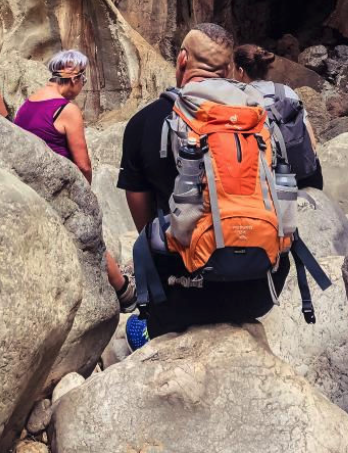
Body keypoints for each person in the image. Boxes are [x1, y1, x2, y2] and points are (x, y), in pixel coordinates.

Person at [117, 23, 290, 342]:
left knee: (133, 327)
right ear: (230, 69)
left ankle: (150, 330)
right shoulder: (260, 118)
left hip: (182, 295)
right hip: (259, 289)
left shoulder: (145, 121)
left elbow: (142, 218)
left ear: (183, 59)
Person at [14, 49, 136, 311]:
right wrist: (86, 194)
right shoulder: (66, 110)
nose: (83, 86)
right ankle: (125, 292)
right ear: (73, 79)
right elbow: (83, 164)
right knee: (91, 237)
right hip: (57, 191)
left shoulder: (28, 103)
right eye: (83, 79)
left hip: (27, 187)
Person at [234, 43, 323, 190]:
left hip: (264, 184)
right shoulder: (286, 91)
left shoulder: (238, 100)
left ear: (240, 71)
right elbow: (311, 142)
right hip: (303, 177)